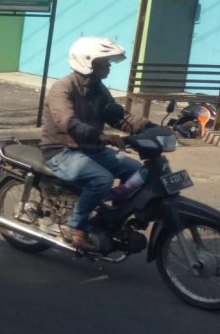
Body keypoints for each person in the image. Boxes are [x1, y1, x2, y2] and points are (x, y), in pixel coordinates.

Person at [39, 37, 151, 252]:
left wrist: (151, 127)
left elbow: (119, 118)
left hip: (91, 149)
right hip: (61, 150)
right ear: (87, 62)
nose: (108, 66)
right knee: (102, 180)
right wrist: (100, 136)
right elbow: (68, 121)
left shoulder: (99, 89)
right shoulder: (62, 88)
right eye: (104, 62)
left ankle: (111, 220)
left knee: (140, 172)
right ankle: (77, 227)